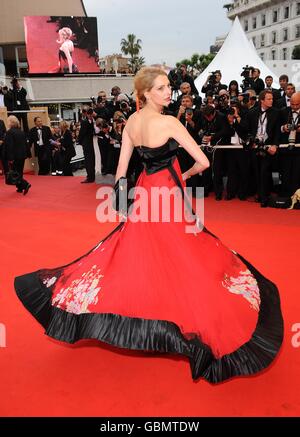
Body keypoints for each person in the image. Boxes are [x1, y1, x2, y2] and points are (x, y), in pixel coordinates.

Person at [14, 67, 283, 383]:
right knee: (185, 254)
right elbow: (204, 162)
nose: (168, 92)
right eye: (161, 88)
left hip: (144, 194)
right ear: (144, 94)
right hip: (168, 195)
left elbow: (121, 173)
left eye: (168, 87)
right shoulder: (169, 123)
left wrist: (123, 203)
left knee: (141, 253)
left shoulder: (131, 123)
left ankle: (151, 318)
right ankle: (194, 327)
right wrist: (183, 176)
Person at [2, 115, 31, 194]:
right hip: (22, 155)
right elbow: (26, 144)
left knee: (15, 173)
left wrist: (10, 158)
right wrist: (28, 154)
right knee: (19, 171)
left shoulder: (9, 132)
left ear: (10, 123)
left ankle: (25, 184)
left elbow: (10, 146)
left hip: (15, 156)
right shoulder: (21, 132)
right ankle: (20, 188)